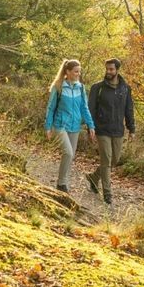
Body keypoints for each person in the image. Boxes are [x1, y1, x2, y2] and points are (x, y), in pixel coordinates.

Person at [85, 57, 135, 204]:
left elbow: (129, 109)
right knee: (106, 160)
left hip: (118, 130)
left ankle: (94, 177)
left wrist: (131, 128)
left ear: (117, 70)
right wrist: (90, 128)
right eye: (107, 69)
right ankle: (107, 193)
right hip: (102, 129)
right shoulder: (97, 88)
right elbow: (91, 109)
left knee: (115, 160)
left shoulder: (125, 89)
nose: (108, 71)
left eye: (111, 69)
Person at [43, 58, 95, 193]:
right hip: (60, 125)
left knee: (70, 156)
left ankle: (63, 181)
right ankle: (61, 183)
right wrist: (48, 127)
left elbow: (84, 108)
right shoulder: (58, 86)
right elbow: (51, 107)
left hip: (75, 126)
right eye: (76, 71)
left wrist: (91, 125)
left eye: (79, 71)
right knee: (68, 152)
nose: (78, 74)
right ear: (67, 72)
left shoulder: (81, 87)